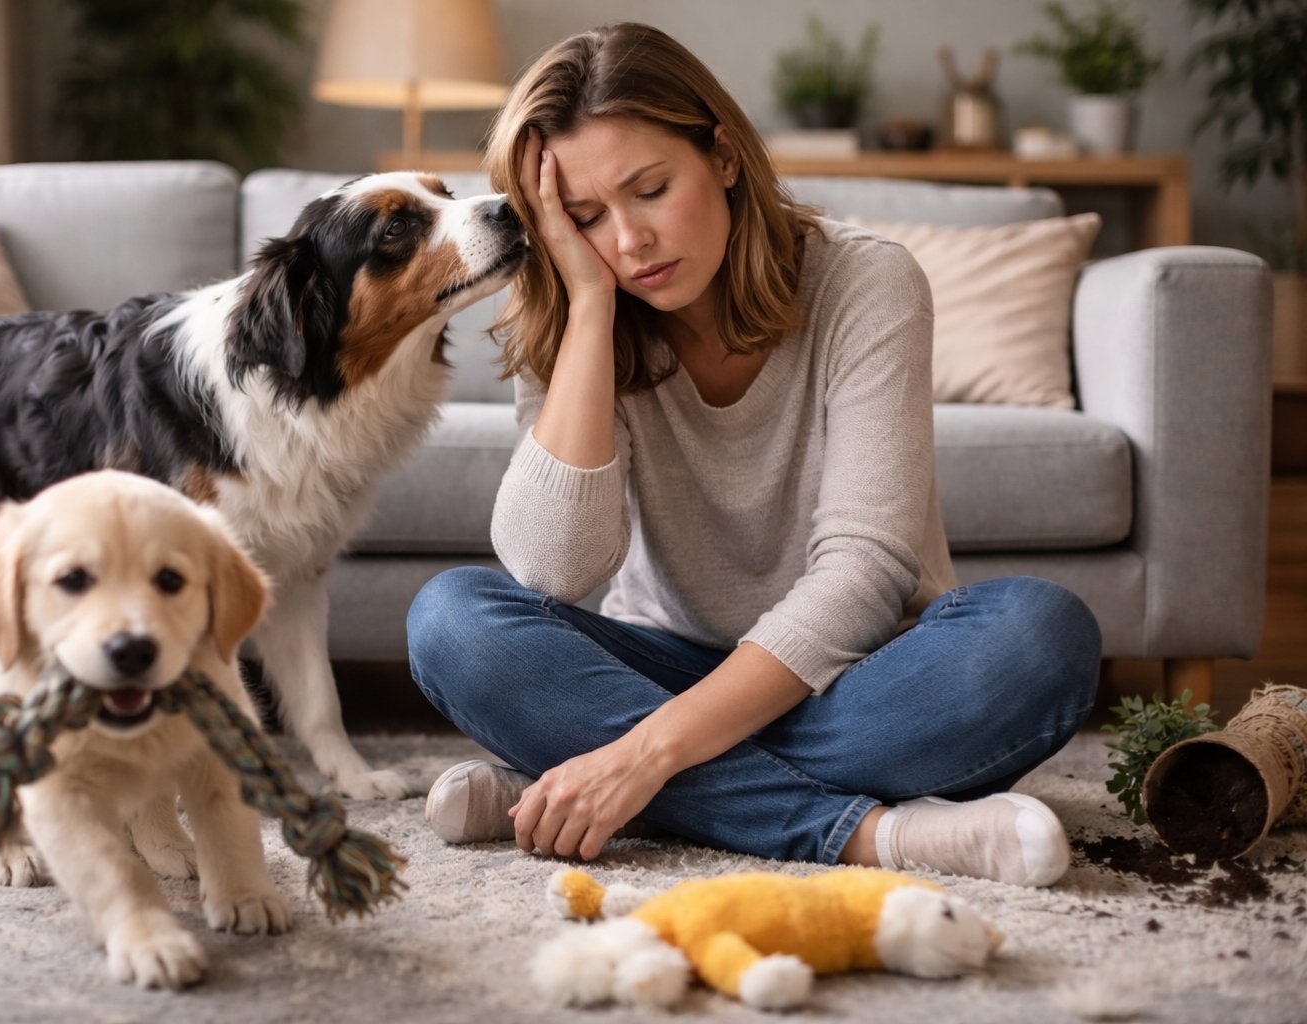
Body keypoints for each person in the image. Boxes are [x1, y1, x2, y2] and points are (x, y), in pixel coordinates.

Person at [406, 22, 1100, 887]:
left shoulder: (866, 281)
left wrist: (643, 751)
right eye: (585, 218)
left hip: (858, 672)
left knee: (1038, 638)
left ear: (725, 156)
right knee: (452, 621)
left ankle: (578, 781)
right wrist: (588, 310)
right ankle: (871, 837)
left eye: (650, 190)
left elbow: (866, 569)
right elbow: (552, 570)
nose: (628, 243)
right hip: (661, 661)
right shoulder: (579, 314)